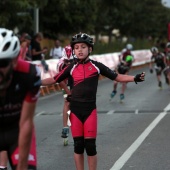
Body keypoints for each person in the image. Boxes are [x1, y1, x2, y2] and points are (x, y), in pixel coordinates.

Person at [42, 33, 145, 170]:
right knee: (78, 147)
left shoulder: (96, 66)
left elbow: (117, 77)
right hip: (75, 111)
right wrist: (34, 81)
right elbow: (54, 79)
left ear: (90, 49)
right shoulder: (71, 67)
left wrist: (135, 78)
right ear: (73, 50)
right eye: (77, 47)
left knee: (90, 147)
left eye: (83, 47)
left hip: (90, 110)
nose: (80, 50)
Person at [0, 28, 41, 170]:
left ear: (15, 60)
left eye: (2, 64)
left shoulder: (30, 75)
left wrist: (22, 165)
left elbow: (26, 123)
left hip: (16, 129)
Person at [56, 45, 74, 144]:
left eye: (71, 61)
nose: (68, 63)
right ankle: (65, 127)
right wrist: (68, 92)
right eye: (67, 61)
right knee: (67, 102)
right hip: (66, 82)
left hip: (77, 81)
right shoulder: (60, 65)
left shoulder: (79, 61)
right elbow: (60, 81)